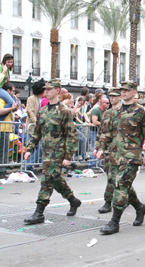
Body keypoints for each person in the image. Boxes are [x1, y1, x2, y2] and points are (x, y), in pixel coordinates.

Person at [95, 81, 145, 235]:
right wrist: (101, 147)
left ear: (134, 92)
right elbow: (108, 132)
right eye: (122, 90)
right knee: (124, 186)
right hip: (115, 156)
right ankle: (140, 208)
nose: (123, 92)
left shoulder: (140, 111)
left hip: (131, 156)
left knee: (121, 186)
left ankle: (114, 222)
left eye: (126, 90)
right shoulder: (116, 111)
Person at [23, 79, 81, 224]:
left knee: (47, 180)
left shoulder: (64, 111)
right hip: (46, 153)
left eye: (49, 89)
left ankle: (39, 212)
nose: (46, 92)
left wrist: (68, 156)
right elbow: (37, 133)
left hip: (58, 153)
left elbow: (72, 135)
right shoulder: (43, 111)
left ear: (57, 90)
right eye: (45, 90)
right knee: (55, 179)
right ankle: (73, 201)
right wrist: (29, 149)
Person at [94, 88, 122, 214]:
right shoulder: (107, 113)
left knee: (115, 178)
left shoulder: (124, 113)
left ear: (120, 97)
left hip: (122, 150)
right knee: (111, 177)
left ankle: (108, 202)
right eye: (110, 96)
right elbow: (102, 132)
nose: (112, 98)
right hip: (108, 150)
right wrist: (97, 147)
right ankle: (130, 201)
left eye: (115, 96)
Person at [25, 78, 46, 172]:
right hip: (32, 128)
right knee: (32, 148)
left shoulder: (44, 100)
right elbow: (30, 111)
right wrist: (37, 123)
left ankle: (27, 165)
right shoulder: (31, 98)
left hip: (40, 128)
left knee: (40, 148)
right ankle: (26, 165)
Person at [0, 83, 19, 178]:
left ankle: (2, 172)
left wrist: (14, 109)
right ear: (8, 91)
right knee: (2, 151)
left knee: (4, 152)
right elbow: (0, 111)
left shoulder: (9, 100)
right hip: (2, 128)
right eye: (13, 91)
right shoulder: (2, 99)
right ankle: (1, 172)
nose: (14, 93)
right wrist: (11, 108)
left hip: (6, 129)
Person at [88, 97, 109, 169]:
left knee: (100, 147)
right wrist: (105, 124)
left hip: (101, 132)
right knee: (95, 147)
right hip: (94, 131)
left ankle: (97, 164)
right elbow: (94, 121)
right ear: (102, 103)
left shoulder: (106, 112)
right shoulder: (96, 110)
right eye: (107, 103)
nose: (108, 104)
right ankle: (92, 165)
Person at [0, 54, 16, 121]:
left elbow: (7, 83)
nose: (10, 64)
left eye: (11, 62)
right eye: (8, 62)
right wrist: (3, 71)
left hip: (4, 88)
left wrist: (13, 94)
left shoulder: (8, 70)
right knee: (11, 102)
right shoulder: (1, 67)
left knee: (15, 102)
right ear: (4, 61)